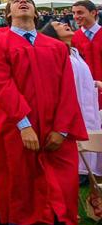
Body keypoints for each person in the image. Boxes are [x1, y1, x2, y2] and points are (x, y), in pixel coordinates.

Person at [0, 0, 95, 225]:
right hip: (18, 132)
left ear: (35, 11)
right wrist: (24, 124)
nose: (22, 3)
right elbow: (0, 84)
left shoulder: (55, 47)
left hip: (56, 134)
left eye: (27, 1)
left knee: (63, 189)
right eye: (16, 2)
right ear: (8, 13)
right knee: (22, 189)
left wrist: (62, 129)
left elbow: (67, 89)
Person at [42, 21, 102, 178]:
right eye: (57, 25)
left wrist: (95, 83)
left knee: (92, 145)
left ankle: (91, 181)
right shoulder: (54, 55)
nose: (64, 24)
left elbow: (79, 79)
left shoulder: (74, 53)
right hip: (70, 111)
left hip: (88, 108)